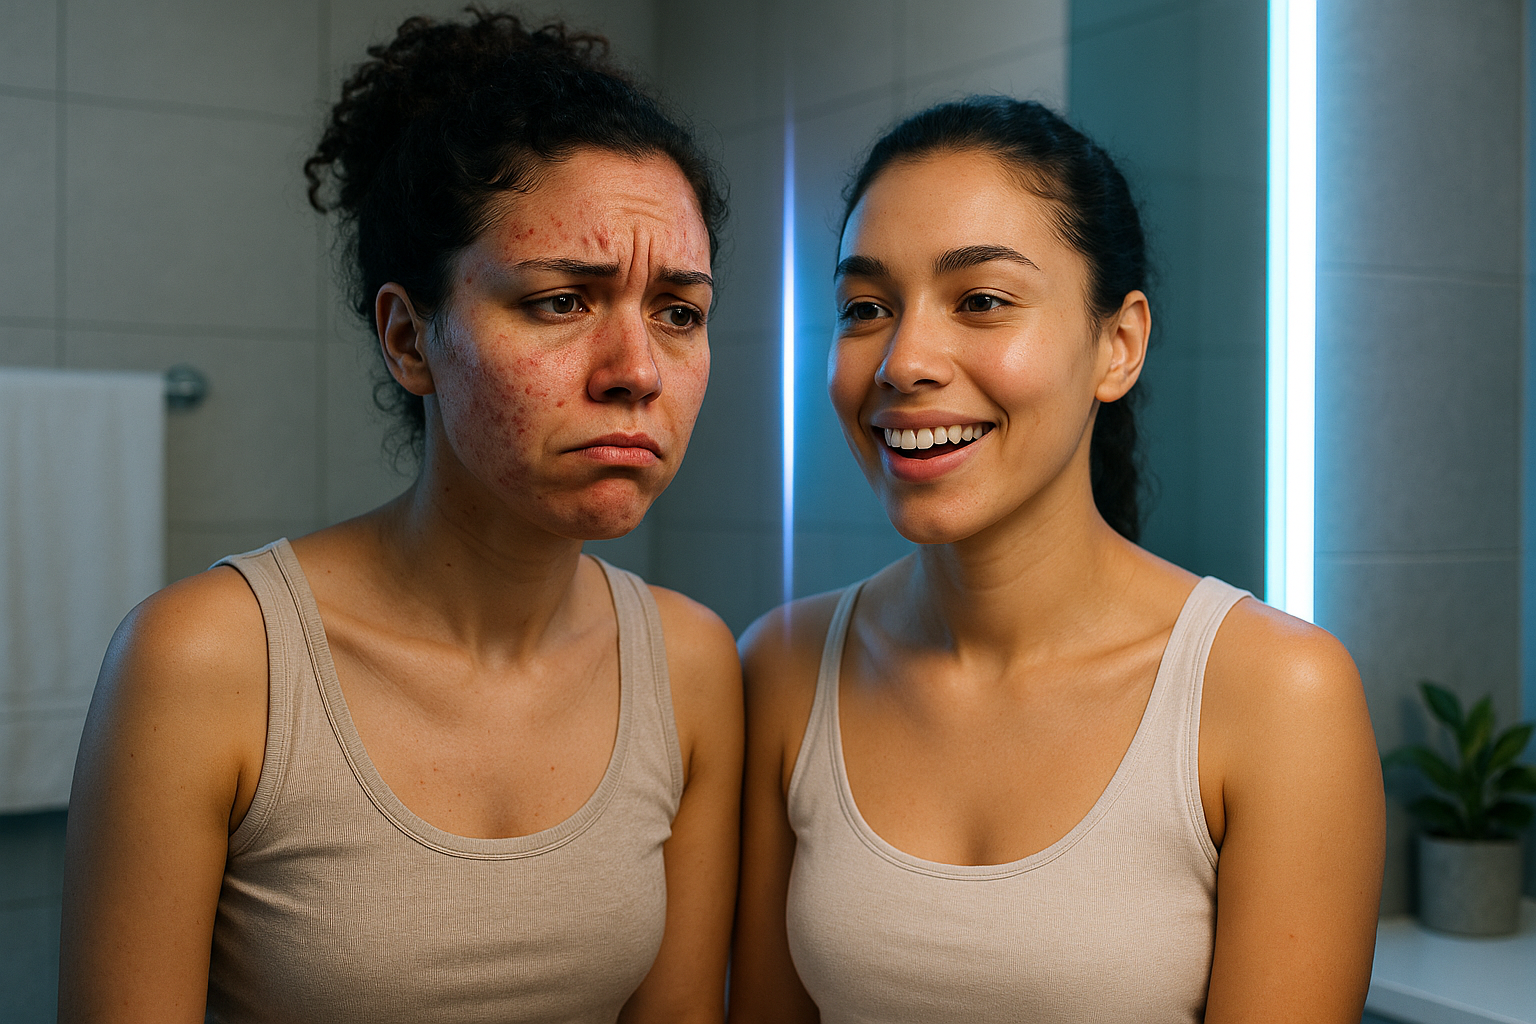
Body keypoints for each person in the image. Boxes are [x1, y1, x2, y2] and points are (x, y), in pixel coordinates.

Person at [59, 11, 741, 1023]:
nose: (637, 370)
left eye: (678, 311)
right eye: (560, 300)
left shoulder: (691, 666)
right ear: (410, 337)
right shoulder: (207, 661)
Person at [730, 97, 1384, 1024]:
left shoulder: (1277, 693)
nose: (905, 360)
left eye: (983, 301)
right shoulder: (786, 666)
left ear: (1117, 345)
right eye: (866, 307)